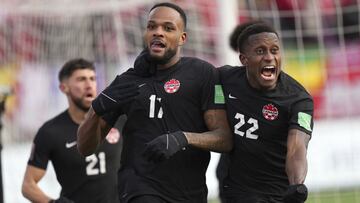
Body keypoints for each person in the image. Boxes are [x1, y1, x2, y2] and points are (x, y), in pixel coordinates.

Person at [77, 2, 232, 203]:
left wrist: (183, 138)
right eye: (152, 26)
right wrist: (95, 109)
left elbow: (224, 138)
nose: (158, 32)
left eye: (168, 28)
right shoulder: (126, 82)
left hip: (190, 193)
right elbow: (84, 148)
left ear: (182, 38)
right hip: (139, 189)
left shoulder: (202, 73)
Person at [219, 21, 314, 203]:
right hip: (237, 188)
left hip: (278, 192)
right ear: (243, 59)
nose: (270, 57)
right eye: (260, 51)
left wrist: (296, 184)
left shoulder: (299, 100)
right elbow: (192, 76)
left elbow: (297, 147)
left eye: (275, 50)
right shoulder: (225, 78)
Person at [21, 59, 122, 203]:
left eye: (92, 79)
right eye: (81, 79)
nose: (89, 85)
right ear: (64, 88)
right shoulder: (50, 131)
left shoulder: (117, 120)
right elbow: (28, 185)